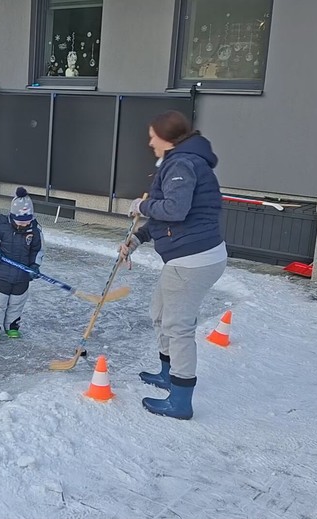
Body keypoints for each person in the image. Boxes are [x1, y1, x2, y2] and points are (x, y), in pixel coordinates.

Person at [120, 110, 227, 420]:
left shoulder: (182, 163)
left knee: (178, 327)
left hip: (193, 260)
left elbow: (175, 210)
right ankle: (168, 374)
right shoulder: (182, 160)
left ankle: (180, 400)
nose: (150, 142)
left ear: (167, 138)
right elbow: (167, 219)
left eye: (153, 136)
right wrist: (136, 240)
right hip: (188, 256)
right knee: (160, 314)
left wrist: (141, 205)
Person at [0, 187, 44, 340]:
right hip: (1, 273)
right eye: (20, 222)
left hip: (22, 276)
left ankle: (12, 327)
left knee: (17, 303)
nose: (23, 225)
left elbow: (38, 250)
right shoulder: (2, 225)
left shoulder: (35, 230)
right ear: (12, 216)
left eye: (26, 222)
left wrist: (35, 266)